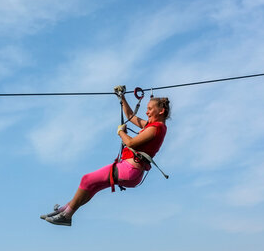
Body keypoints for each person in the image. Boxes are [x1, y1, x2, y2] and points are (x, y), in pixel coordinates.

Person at [41, 86, 170, 226]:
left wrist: (121, 132)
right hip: (132, 172)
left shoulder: (155, 128)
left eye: (150, 109)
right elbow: (130, 116)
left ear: (161, 111)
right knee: (91, 186)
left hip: (129, 169)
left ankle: (66, 215)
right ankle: (63, 210)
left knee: (86, 179)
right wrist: (122, 98)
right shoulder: (153, 126)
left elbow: (130, 142)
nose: (147, 112)